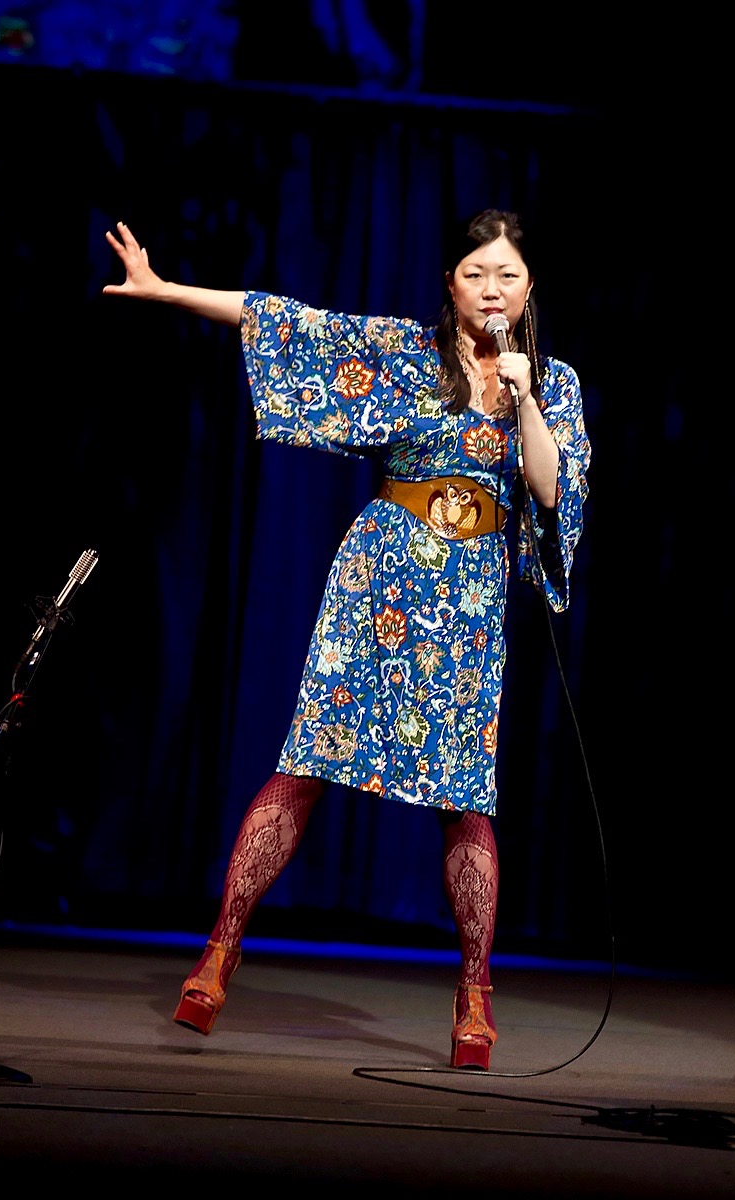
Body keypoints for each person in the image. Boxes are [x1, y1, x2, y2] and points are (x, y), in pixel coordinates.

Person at [103, 208, 590, 1070]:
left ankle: (474, 993)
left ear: (529, 287)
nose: (491, 290)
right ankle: (220, 951)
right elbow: (285, 321)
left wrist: (526, 402)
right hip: (378, 580)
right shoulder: (406, 353)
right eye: (475, 273)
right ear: (450, 282)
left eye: (507, 275)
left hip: (469, 600)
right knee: (306, 763)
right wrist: (166, 289)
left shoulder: (551, 382)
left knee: (464, 796)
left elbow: (552, 493)